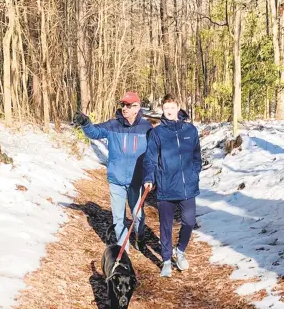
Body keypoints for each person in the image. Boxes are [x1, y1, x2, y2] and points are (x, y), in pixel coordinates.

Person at [74, 92, 152, 252]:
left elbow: (155, 151)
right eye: (123, 105)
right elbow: (94, 133)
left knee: (138, 217)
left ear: (137, 107)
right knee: (118, 218)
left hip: (136, 181)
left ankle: (140, 237)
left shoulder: (147, 128)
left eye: (128, 105)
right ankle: (124, 253)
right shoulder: (113, 125)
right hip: (116, 180)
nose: (124, 108)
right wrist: (85, 123)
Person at [142, 94, 202, 277]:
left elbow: (196, 155)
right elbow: (150, 159)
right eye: (166, 108)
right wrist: (149, 178)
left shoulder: (190, 130)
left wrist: (194, 172)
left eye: (172, 107)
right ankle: (166, 260)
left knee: (189, 221)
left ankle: (180, 251)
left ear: (178, 107)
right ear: (162, 109)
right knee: (165, 226)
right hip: (166, 186)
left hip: (187, 187)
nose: (169, 111)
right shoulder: (157, 133)